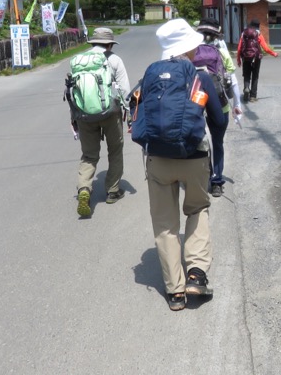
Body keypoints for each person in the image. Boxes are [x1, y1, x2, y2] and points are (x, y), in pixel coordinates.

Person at [140, 19, 225, 311]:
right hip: (195, 157)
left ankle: (175, 292)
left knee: (165, 225)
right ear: (190, 47)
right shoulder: (200, 77)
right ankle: (196, 276)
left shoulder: (149, 77)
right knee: (197, 209)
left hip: (158, 160)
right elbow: (219, 120)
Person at [74, 27, 131, 218]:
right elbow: (124, 89)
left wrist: (74, 118)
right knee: (115, 150)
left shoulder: (79, 60)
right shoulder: (114, 59)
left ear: (93, 42)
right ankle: (113, 191)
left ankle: (84, 189)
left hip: (84, 115)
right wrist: (130, 113)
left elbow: (74, 91)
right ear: (109, 44)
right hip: (110, 113)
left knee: (89, 155)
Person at [195, 17, 243, 198]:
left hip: (195, 106)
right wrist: (237, 105)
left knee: (197, 142)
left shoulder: (188, 51)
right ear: (217, 34)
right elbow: (233, 81)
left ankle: (199, 178)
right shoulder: (221, 52)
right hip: (220, 104)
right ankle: (216, 182)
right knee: (217, 143)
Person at [236, 18, 278, 102]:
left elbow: (239, 47)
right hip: (256, 58)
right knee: (255, 76)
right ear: (258, 26)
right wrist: (274, 53)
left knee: (246, 75)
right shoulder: (258, 34)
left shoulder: (244, 33)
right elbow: (265, 48)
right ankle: (253, 96)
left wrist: (238, 60)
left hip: (245, 57)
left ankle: (246, 88)